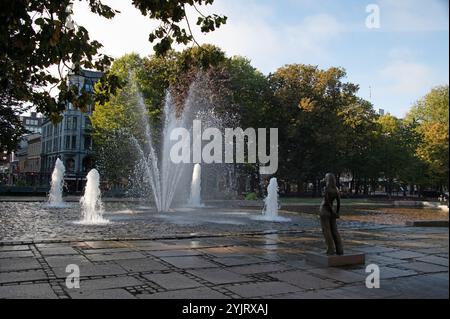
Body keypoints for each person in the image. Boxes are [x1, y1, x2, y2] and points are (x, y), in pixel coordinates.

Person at [319, 173, 344, 255]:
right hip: (332, 211)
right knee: (334, 230)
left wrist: (333, 212)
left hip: (324, 211)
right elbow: (338, 202)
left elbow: (327, 202)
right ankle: (339, 249)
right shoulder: (336, 189)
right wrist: (336, 212)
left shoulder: (326, 188)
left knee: (326, 230)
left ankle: (330, 250)